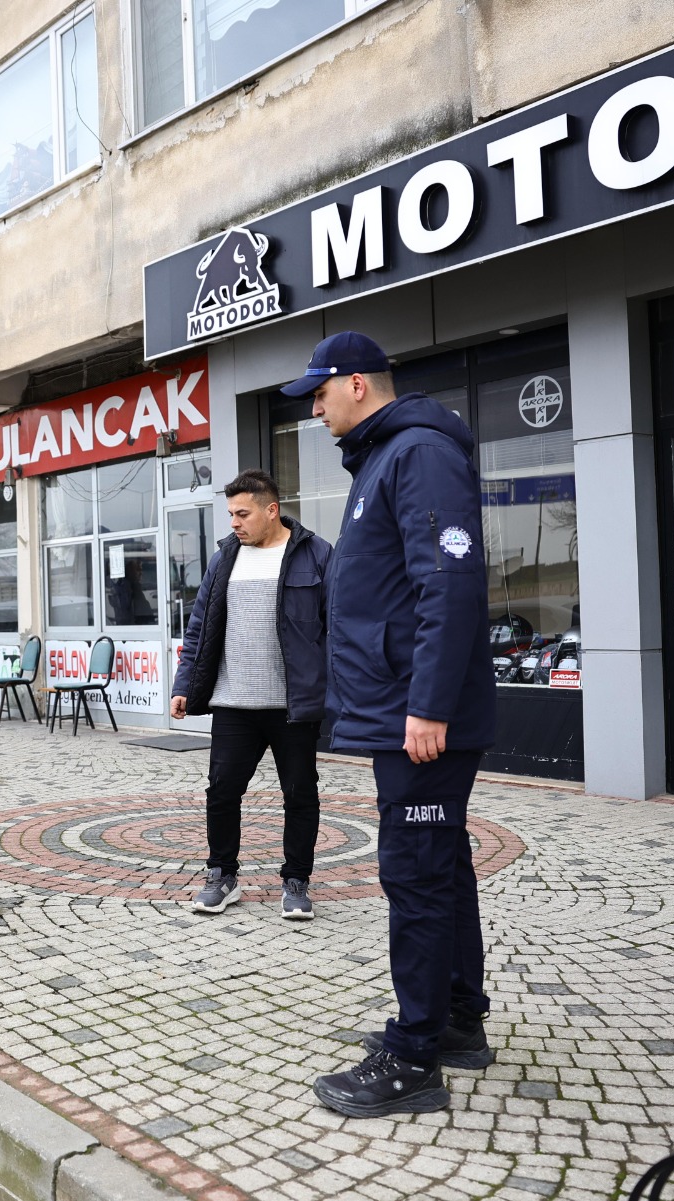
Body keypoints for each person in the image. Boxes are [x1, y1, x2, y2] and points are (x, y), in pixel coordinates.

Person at [286, 332, 498, 1119]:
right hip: (403, 709)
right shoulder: (383, 458)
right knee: (440, 861)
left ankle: (414, 1056)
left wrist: (428, 704)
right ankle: (456, 1019)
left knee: (413, 870)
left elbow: (448, 579)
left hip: (420, 716)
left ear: (357, 385)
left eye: (320, 392)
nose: (313, 407)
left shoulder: (417, 454)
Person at [169, 470, 330, 920]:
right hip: (234, 704)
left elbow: (334, 628)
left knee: (300, 794)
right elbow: (199, 628)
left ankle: (296, 881)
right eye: (231, 514)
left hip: (292, 706)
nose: (235, 522)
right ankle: (222, 875)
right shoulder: (224, 559)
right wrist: (184, 685)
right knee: (221, 793)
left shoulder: (315, 554)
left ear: (271, 510)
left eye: (243, 514)